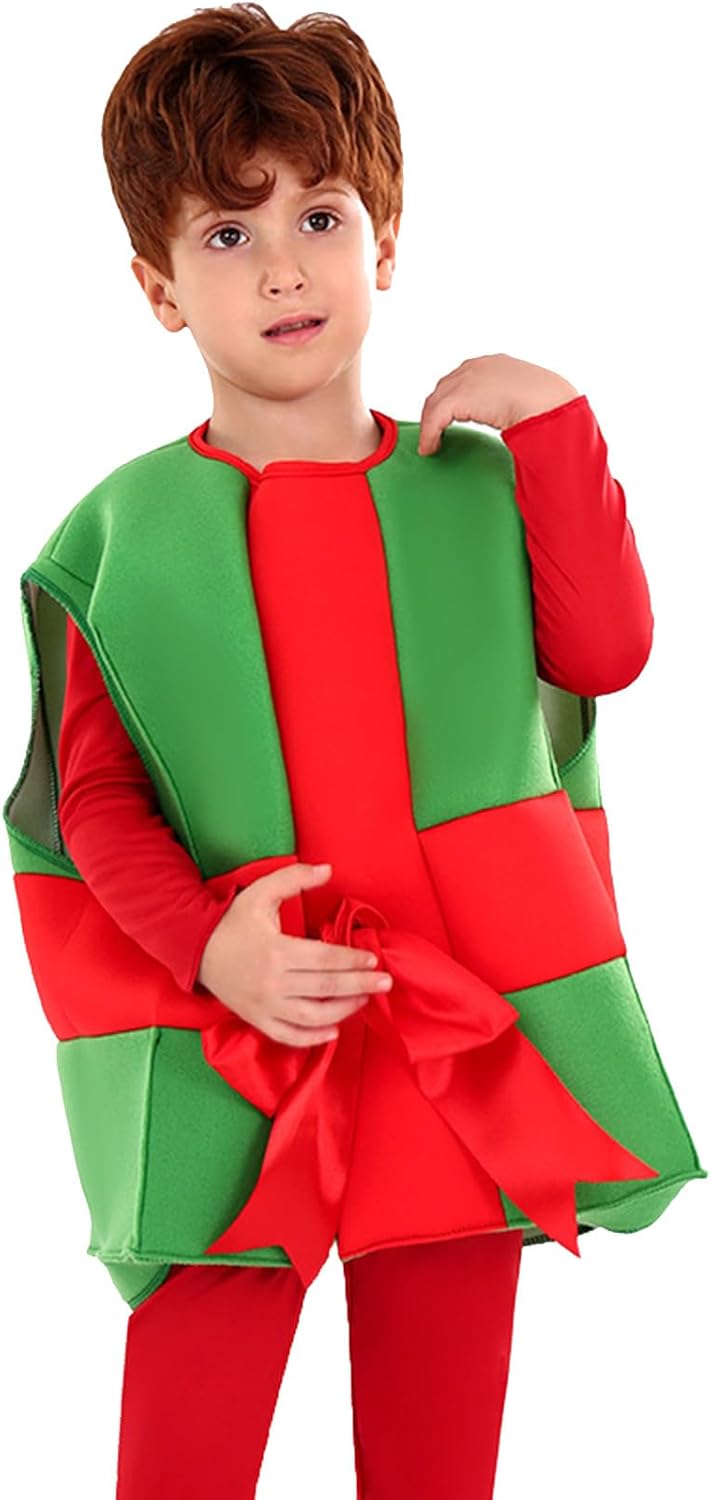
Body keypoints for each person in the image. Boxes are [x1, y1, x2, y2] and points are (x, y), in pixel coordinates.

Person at [3, 6, 705, 1498]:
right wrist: (211, 948)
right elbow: (89, 802)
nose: (283, 268)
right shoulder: (119, 540)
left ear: (383, 238)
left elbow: (605, 655)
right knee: (183, 1451)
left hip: (456, 1035)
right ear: (156, 287)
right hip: (233, 1046)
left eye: (318, 216)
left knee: (437, 1452)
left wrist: (557, 424)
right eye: (227, 234)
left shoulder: (476, 488)